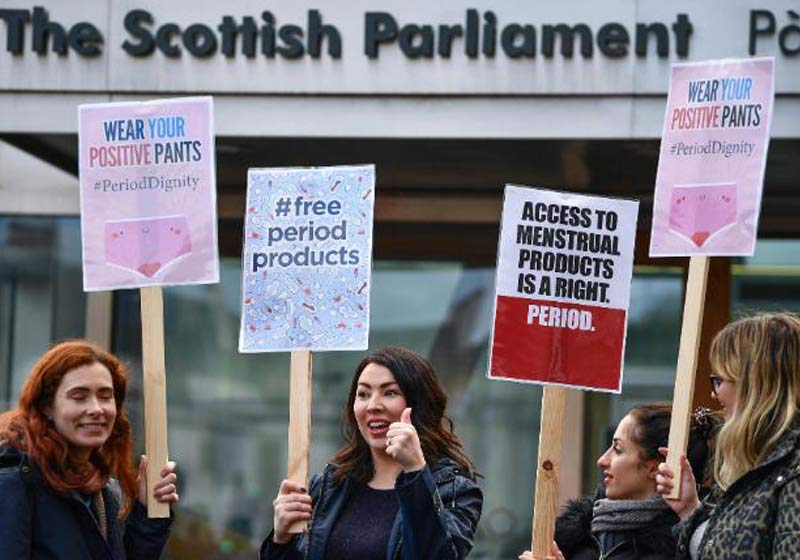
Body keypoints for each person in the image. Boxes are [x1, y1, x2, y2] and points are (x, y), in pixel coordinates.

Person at [260, 346, 483, 560]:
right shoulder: (329, 487)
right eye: (363, 394)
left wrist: (415, 471)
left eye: (390, 392)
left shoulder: (454, 490)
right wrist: (281, 541)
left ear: (419, 404)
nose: (373, 405)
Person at [0, 340, 179, 559]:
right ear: (47, 406)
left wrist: (148, 511)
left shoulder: (103, 489)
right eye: (79, 397)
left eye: (105, 396)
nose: (96, 409)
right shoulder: (14, 482)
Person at [656, 312, 800, 559]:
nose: (713, 394)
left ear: (755, 385)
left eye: (718, 380)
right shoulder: (754, 464)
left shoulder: (791, 469)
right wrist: (690, 510)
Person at [520, 403, 718, 560]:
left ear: (653, 467)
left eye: (618, 450)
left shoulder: (679, 548)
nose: (602, 461)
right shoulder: (575, 535)